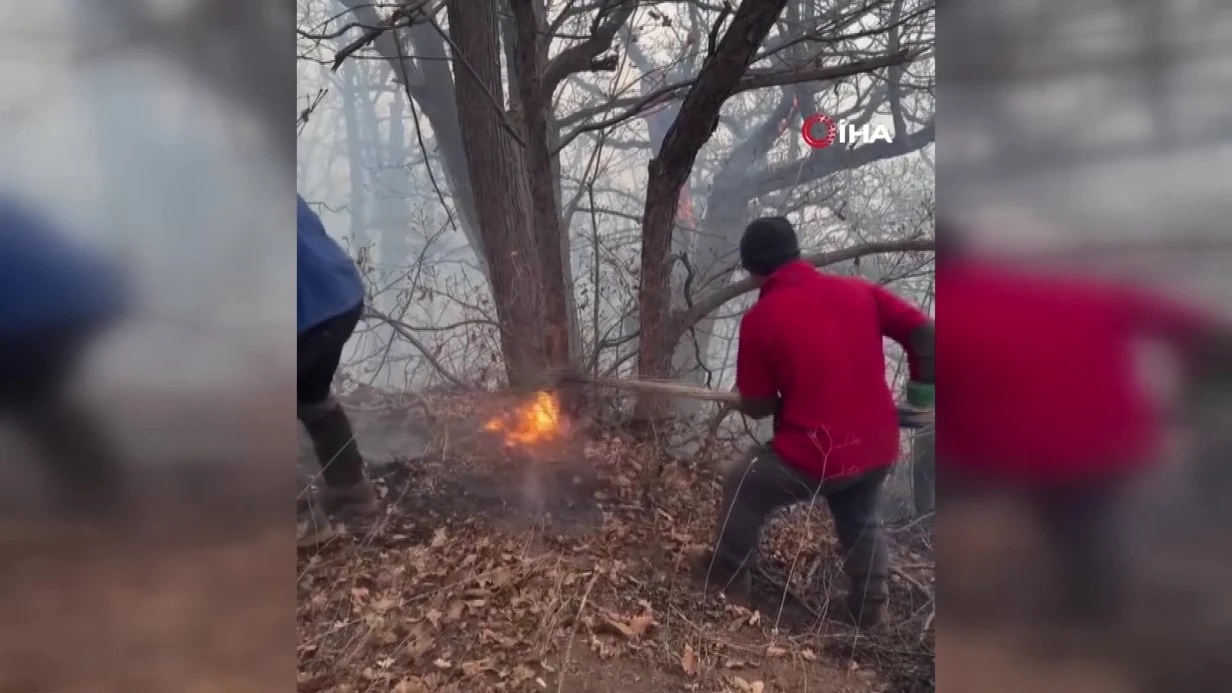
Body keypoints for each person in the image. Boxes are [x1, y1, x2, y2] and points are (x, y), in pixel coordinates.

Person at [935, 218, 1229, 632]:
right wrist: (1206, 363)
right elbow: (1170, 317)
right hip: (1111, 434)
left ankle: (1089, 610)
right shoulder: (1041, 287)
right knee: (1084, 520)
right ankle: (1096, 604)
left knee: (1071, 519)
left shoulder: (949, 313)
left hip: (1025, 449)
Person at [696, 216, 935, 629]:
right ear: (796, 254)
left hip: (816, 454)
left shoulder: (761, 318)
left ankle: (727, 579)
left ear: (753, 269)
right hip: (877, 447)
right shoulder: (859, 291)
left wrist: (751, 399)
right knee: (860, 516)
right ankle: (870, 607)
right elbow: (925, 333)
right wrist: (922, 392)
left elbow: (758, 405)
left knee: (745, 482)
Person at [0, 195, 130, 519]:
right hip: (74, 298)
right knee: (36, 400)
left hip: (31, 312)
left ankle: (101, 498)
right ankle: (101, 494)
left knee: (31, 397)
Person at [297, 194, 377, 546]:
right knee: (310, 394)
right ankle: (350, 490)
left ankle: (301, 519)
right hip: (340, 296)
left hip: (304, 310)